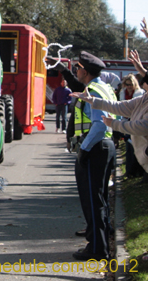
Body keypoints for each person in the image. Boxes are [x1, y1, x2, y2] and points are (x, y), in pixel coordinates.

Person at [67, 51, 117, 261]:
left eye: (77, 68)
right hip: (106, 146)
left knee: (92, 200)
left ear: (85, 71)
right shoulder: (104, 86)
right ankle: (99, 240)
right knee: (100, 198)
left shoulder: (94, 90)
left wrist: (84, 151)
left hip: (95, 148)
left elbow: (98, 125)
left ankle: (97, 249)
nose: (76, 71)